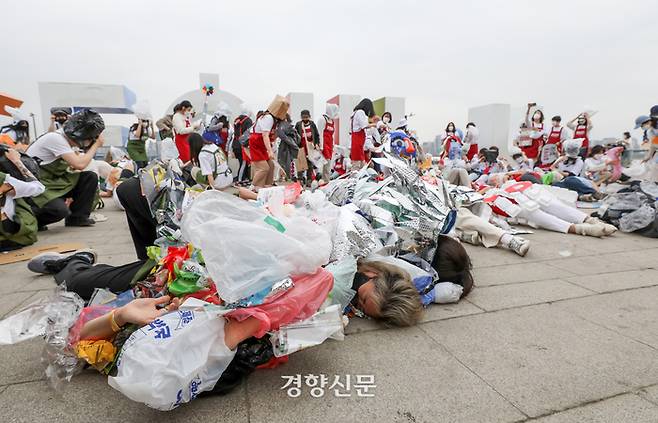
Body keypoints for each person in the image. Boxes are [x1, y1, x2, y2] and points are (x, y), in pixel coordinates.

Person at [26, 109, 105, 228]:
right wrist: (96, 145)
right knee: (59, 211)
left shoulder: (64, 139)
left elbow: (76, 165)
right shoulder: (56, 138)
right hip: (38, 186)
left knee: (89, 177)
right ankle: (30, 221)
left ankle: (78, 217)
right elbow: (79, 164)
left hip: (52, 183)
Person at [483, 176, 616, 237]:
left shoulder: (518, 179)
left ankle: (591, 221)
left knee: (550, 204)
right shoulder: (490, 192)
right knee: (530, 211)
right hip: (506, 200)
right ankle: (583, 229)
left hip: (525, 190)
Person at [0, 147, 45, 251]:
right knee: (14, 196)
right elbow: (38, 188)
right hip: (8, 235)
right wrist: (17, 162)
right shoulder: (2, 180)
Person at [248, 96, 289, 189]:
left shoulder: (273, 119)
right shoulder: (268, 118)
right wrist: (270, 151)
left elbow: (271, 136)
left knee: (271, 166)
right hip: (256, 143)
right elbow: (265, 135)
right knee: (263, 168)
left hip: (261, 143)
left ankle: (266, 187)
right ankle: (252, 187)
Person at [294, 110, 320, 184]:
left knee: (310, 165)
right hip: (301, 147)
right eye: (303, 117)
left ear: (309, 117)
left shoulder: (312, 124)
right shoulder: (298, 124)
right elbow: (295, 135)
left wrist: (317, 144)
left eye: (306, 117)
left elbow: (316, 135)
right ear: (301, 117)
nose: (305, 119)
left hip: (310, 147)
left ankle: (309, 180)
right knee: (300, 165)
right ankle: (300, 180)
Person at [350, 98, 375, 170]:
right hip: (358, 141)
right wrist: (375, 125)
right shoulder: (360, 112)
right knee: (357, 166)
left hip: (357, 141)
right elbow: (364, 125)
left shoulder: (355, 113)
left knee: (359, 165)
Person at [317, 104, 339, 182]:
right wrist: (321, 146)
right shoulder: (322, 119)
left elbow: (332, 134)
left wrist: (333, 146)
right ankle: (325, 181)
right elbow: (320, 133)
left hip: (330, 145)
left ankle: (325, 180)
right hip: (324, 144)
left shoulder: (332, 121)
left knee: (328, 164)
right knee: (325, 163)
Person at [276, 114, 300, 181]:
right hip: (287, 146)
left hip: (284, 147)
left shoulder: (281, 126)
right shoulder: (289, 127)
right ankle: (287, 177)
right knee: (287, 162)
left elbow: (282, 135)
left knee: (285, 162)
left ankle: (286, 177)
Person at [232, 113, 253, 184]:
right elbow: (249, 133)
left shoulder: (237, 120)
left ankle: (244, 178)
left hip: (235, 144)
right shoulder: (248, 121)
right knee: (243, 163)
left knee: (242, 162)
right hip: (242, 144)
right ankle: (240, 179)